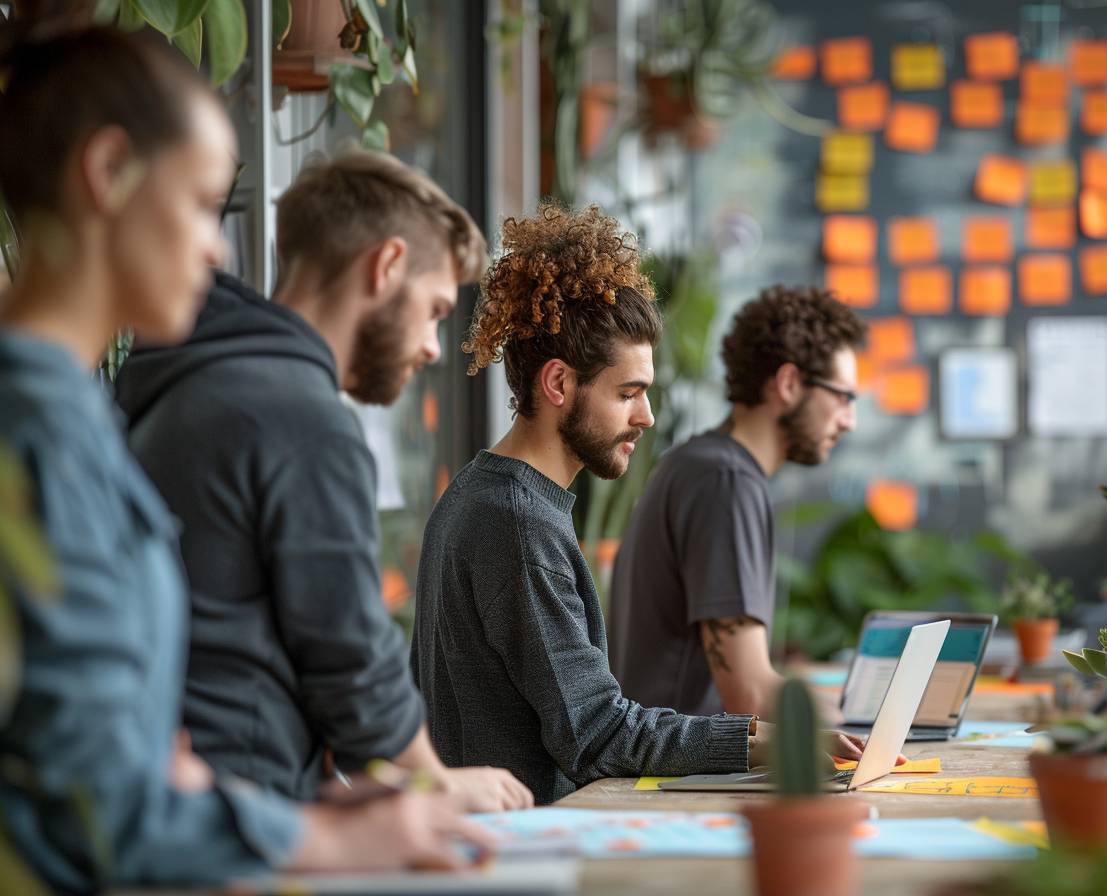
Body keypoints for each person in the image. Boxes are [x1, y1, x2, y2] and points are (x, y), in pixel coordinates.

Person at [0, 23, 489, 889]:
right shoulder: (37, 427)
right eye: (198, 203)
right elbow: (96, 806)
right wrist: (328, 838)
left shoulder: (93, 403)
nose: (218, 249)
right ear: (109, 172)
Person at [114, 152, 532, 812]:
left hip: (171, 794)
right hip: (241, 814)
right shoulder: (302, 418)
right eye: (434, 310)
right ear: (386, 264)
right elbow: (350, 654)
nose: (431, 347)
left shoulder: (199, 379)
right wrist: (437, 779)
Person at [410, 204, 864, 805]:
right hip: (524, 842)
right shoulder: (517, 523)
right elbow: (595, 735)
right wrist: (761, 742)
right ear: (558, 384)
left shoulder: (489, 495)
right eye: (627, 394)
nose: (646, 417)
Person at [608, 286, 866, 719]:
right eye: (843, 397)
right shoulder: (726, 482)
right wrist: (865, 724)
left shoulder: (696, 463)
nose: (850, 421)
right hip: (677, 776)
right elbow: (750, 694)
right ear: (787, 384)